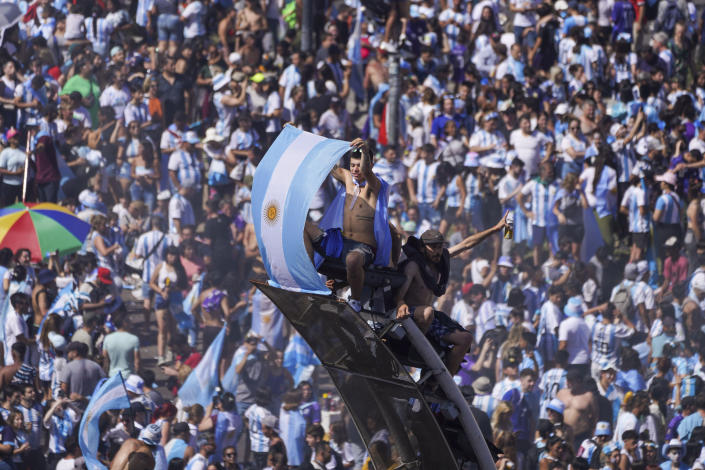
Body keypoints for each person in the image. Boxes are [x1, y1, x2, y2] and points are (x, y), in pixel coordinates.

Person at [395, 215, 507, 374]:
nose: (437, 251)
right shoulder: (413, 265)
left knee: (465, 339)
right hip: (409, 315)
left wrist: (495, 229)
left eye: (439, 247)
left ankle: (439, 383)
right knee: (428, 312)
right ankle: (416, 352)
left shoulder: (442, 260)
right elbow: (399, 297)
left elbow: (467, 244)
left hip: (429, 318)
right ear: (422, 248)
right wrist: (401, 304)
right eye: (432, 247)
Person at [303, 138, 394, 313]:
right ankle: (310, 280)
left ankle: (355, 301)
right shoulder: (348, 179)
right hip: (340, 242)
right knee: (304, 227)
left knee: (352, 260)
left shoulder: (374, 186)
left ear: (369, 164)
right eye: (352, 165)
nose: (355, 169)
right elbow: (327, 165)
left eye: (358, 165)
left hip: (362, 248)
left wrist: (365, 148)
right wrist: (301, 140)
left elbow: (367, 171)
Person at [103, 312, 141, 378]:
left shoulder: (107, 338)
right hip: (129, 376)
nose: (130, 324)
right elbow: (137, 361)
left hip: (113, 375)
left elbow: (105, 358)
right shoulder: (134, 339)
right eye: (129, 321)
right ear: (124, 323)